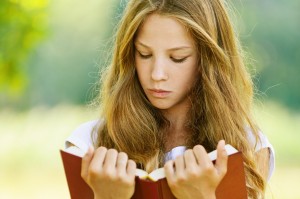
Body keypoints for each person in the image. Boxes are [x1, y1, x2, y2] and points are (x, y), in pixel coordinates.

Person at [65, 0, 275, 198]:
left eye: (178, 58)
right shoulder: (88, 144)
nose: (157, 74)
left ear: (208, 59)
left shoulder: (248, 147)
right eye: (144, 54)